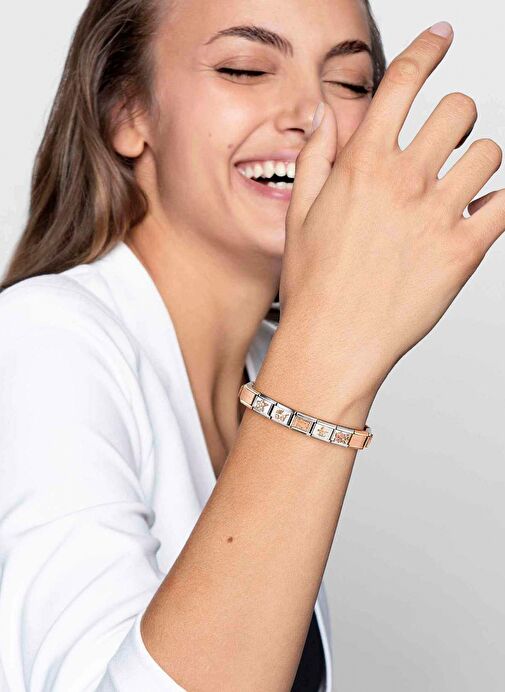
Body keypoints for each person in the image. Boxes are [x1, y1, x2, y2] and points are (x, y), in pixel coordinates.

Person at [1, 0, 503, 689]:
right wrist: (329, 352)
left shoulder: (267, 363)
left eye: (350, 83)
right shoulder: (43, 339)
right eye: (244, 69)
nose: (311, 113)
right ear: (126, 112)